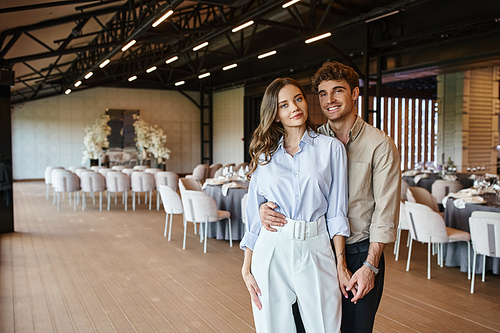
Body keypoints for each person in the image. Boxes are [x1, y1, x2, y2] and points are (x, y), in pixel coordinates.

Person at [260, 62, 401, 333]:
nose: (329, 100)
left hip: (360, 251)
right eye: (323, 94)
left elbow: (386, 212)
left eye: (338, 91)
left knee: (355, 329)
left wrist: (370, 266)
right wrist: (261, 208)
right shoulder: (311, 140)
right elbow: (279, 187)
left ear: (355, 94)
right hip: (316, 252)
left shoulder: (380, 145)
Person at [240, 77, 350, 332]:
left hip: (315, 244)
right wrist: (247, 267)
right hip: (272, 247)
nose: (294, 107)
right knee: (272, 328)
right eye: (284, 105)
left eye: (298, 99)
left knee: (325, 326)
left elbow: (337, 211)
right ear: (275, 114)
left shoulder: (331, 149)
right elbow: (254, 218)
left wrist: (341, 263)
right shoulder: (264, 156)